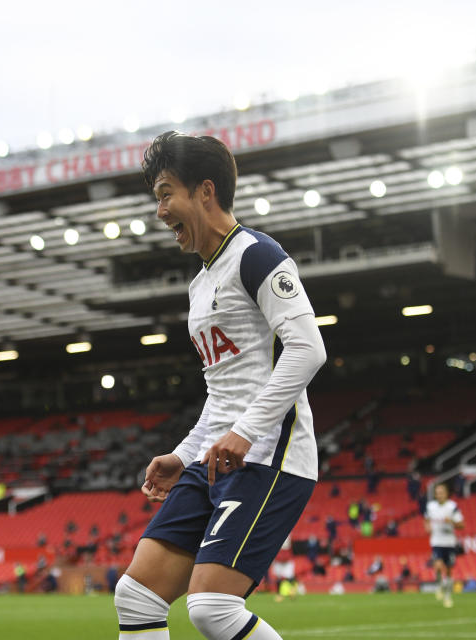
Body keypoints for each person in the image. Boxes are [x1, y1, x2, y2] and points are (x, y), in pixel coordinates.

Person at [114, 132, 327, 640]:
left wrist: (246, 433)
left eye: (166, 193)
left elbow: (308, 348)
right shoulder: (199, 284)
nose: (160, 210)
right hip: (217, 456)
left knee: (212, 608)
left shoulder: (257, 255)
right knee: (136, 597)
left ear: (204, 191)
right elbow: (221, 392)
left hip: (270, 455)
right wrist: (184, 456)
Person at [424, 482, 464, 608]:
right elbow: (426, 519)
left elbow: (462, 525)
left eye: (441, 492)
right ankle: (439, 584)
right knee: (438, 565)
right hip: (436, 541)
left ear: (446, 494)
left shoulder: (452, 507)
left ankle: (447, 596)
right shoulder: (430, 506)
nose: (439, 495)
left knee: (449, 570)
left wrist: (451, 521)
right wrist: (427, 527)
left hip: (450, 542)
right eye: (437, 493)